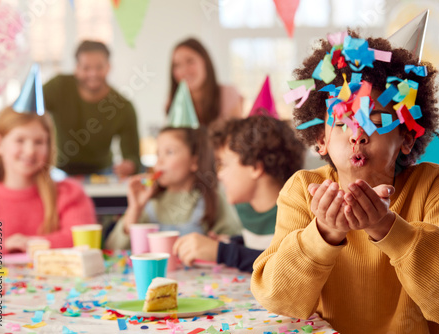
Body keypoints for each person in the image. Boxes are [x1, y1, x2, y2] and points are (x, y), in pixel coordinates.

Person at [250, 31, 439, 333]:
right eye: (340, 121)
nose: (357, 134)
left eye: (376, 120)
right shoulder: (303, 190)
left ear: (406, 136)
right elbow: (278, 299)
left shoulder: (434, 186)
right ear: (321, 139)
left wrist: (388, 228)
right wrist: (323, 233)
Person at [173, 115, 305, 272]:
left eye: (223, 164)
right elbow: (263, 246)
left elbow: (285, 267)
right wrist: (232, 243)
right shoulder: (245, 208)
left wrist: (222, 252)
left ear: (255, 167)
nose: (219, 175)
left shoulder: (298, 213)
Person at [104, 126, 241, 249]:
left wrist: (220, 243)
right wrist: (135, 208)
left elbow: (233, 245)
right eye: (158, 154)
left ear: (194, 161)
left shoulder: (213, 198)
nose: (159, 161)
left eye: (169, 152)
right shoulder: (150, 201)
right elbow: (113, 247)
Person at [0, 107, 96, 253]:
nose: (30, 150)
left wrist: (30, 243)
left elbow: (80, 240)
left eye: (39, 142)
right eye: (20, 140)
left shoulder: (69, 193)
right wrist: (3, 244)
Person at [43, 40, 141, 176]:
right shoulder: (58, 86)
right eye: (86, 68)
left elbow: (133, 157)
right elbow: (26, 111)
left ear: (108, 67)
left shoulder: (123, 107)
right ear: (77, 68)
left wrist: (129, 165)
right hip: (59, 170)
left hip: (102, 172)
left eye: (99, 67)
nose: (93, 74)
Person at [167, 37, 243, 127]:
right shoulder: (173, 101)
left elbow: (237, 137)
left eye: (190, 61)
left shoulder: (227, 94)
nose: (183, 71)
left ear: (205, 62)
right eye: (177, 65)